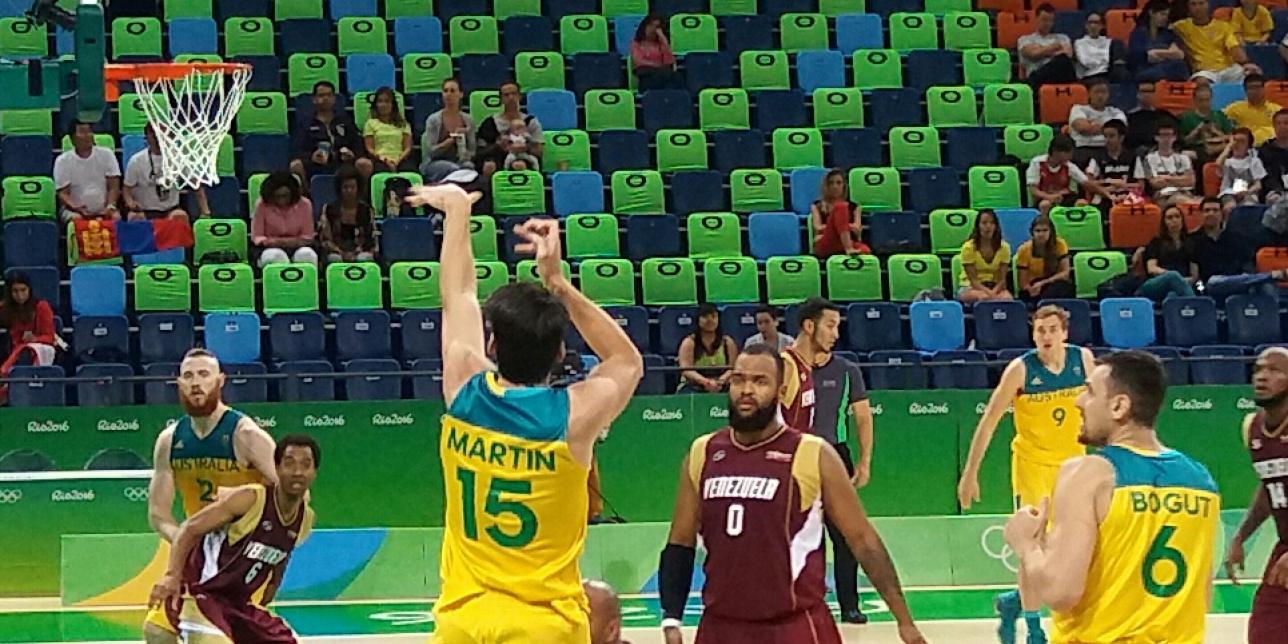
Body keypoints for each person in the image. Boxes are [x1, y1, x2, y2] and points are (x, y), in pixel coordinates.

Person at [404, 183, 642, 643]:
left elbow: (459, 295)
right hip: (544, 626)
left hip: (462, 622)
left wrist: (456, 211)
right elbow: (627, 362)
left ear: (492, 345)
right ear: (559, 353)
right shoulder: (572, 418)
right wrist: (558, 283)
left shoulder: (464, 390)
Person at [657, 346, 927, 644]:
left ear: (781, 391)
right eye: (738, 380)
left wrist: (904, 621)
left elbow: (863, 541)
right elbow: (680, 543)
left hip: (794, 626)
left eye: (760, 381)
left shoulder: (812, 453)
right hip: (720, 626)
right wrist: (671, 619)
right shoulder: (703, 452)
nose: (747, 390)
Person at [1003, 351, 1220, 644]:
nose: (1078, 401)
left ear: (1119, 406)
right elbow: (1201, 596)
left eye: (1090, 392)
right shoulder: (1201, 480)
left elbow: (1060, 591)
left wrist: (1027, 545)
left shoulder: (1088, 473)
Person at [958, 305, 1096, 644]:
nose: (1046, 336)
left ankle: (1013, 603)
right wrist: (969, 473)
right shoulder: (1020, 371)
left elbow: (1100, 411)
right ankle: (1034, 628)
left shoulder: (1085, 362)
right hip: (1032, 466)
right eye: (1040, 330)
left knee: (1069, 554)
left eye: (1052, 329)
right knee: (1032, 545)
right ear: (1033, 334)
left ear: (1065, 333)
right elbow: (989, 422)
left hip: (1073, 467)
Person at [142, 349, 277, 644]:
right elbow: (158, 513)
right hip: (197, 555)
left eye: (204, 375)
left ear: (220, 380)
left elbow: (289, 499)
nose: (196, 383)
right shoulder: (169, 440)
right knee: (157, 632)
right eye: (188, 376)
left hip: (239, 558)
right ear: (178, 383)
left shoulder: (247, 436)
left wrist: (246, 500)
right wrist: (185, 540)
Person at [147, 434, 318, 644]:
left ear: (314, 472)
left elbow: (282, 552)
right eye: (289, 463)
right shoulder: (250, 499)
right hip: (200, 593)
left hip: (236, 604)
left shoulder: (305, 518)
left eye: (306, 465)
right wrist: (172, 576)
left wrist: (271, 587)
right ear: (277, 468)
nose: (297, 472)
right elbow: (189, 529)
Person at [1225, 347, 1288, 644]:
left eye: (1275, 371)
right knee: (1265, 632)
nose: (1262, 377)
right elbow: (1269, 484)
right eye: (1258, 370)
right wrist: (1241, 536)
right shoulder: (1252, 426)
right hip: (1284, 552)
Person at [809, 341, 875, 624]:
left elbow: (862, 416)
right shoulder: (792, 370)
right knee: (802, 535)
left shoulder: (847, 370)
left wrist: (864, 461)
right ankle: (805, 602)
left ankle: (850, 604)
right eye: (828, 326)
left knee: (844, 534)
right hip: (799, 453)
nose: (834, 334)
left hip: (836, 454)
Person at [1189, 195, 1288, 299]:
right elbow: (1196, 278)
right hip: (1210, 286)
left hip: (1239, 283)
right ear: (1201, 214)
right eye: (1207, 210)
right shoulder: (1193, 240)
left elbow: (1247, 266)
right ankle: (1273, 276)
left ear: (1222, 214)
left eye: (1215, 210)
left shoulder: (1236, 238)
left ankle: (1272, 313)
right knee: (1214, 281)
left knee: (1266, 287)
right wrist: (1201, 290)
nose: (1211, 214)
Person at [289, 80, 369, 187]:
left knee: (364, 164)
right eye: (321, 95)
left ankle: (360, 199)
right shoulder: (305, 123)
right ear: (314, 99)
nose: (325, 98)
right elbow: (297, 149)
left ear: (334, 98)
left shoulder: (345, 120)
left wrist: (352, 154)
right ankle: (306, 198)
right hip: (315, 164)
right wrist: (311, 157)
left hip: (343, 163)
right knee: (295, 165)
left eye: (329, 95)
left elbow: (357, 144)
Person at [123, 123, 209, 222]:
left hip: (171, 210)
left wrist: (205, 211)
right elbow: (127, 189)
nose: (158, 140)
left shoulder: (178, 158)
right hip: (144, 210)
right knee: (135, 218)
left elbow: (196, 185)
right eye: (154, 135)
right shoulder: (136, 161)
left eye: (162, 135)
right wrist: (131, 203)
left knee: (180, 216)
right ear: (147, 137)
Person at [780, 297, 842, 433]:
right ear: (809, 326)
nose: (836, 335)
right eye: (830, 326)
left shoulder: (806, 365)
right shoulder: (787, 365)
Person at [1172, 0, 1260, 84]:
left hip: (1228, 69)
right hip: (1205, 72)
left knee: (1252, 76)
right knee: (1202, 82)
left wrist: (1247, 63)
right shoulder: (1180, 27)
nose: (1198, 7)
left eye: (1201, 3)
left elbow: (1235, 48)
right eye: (1193, 4)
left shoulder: (1223, 26)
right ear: (1188, 7)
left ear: (1208, 5)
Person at [0, 273, 56, 403]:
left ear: (29, 290)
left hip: (36, 350)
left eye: (23, 290)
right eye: (15, 291)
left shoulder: (41, 307)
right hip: (14, 350)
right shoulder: (6, 308)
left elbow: (50, 337)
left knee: (25, 352)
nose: (19, 295)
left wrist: (35, 339)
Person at [54, 119, 121, 222]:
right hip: (74, 210)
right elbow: (63, 194)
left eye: (89, 131)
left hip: (105, 208)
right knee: (77, 219)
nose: (87, 135)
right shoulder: (62, 161)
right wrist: (77, 208)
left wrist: (110, 206)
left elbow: (113, 186)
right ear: (73, 139)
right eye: (82, 132)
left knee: (116, 218)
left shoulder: (107, 154)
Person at [475, 81, 545, 176]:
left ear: (519, 96)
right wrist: (498, 145)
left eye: (513, 94)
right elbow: (480, 152)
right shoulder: (490, 123)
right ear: (501, 99)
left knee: (519, 165)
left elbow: (539, 150)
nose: (510, 98)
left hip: (524, 158)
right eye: (506, 95)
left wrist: (525, 147)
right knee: (488, 166)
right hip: (497, 159)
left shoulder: (531, 122)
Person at [251, 172, 316, 267]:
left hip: (299, 247)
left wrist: (281, 242)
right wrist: (273, 243)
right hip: (269, 248)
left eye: (285, 196)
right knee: (276, 256)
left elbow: (307, 237)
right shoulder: (261, 205)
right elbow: (258, 237)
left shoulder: (305, 204)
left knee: (307, 255)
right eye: (278, 196)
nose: (282, 200)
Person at [1026, 135, 1110, 209]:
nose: (1071, 156)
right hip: (1044, 197)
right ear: (1056, 152)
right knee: (1045, 205)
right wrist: (1049, 197)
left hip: (1064, 197)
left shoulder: (1069, 166)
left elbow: (1087, 183)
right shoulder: (1037, 163)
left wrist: (1107, 194)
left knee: (1082, 203)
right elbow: (1033, 190)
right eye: (1068, 153)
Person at [419, 77, 477, 184]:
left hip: (460, 161)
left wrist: (464, 152)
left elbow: (472, 150)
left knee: (469, 167)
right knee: (453, 169)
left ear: (460, 94)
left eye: (452, 91)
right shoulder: (433, 120)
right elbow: (430, 152)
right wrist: (450, 141)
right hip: (434, 162)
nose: (448, 94)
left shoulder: (468, 120)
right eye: (445, 91)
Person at [1136, 204, 1199, 300]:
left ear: (1182, 220)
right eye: (1170, 218)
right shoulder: (1156, 242)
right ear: (1164, 222)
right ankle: (1197, 307)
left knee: (1173, 296)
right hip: (1156, 282)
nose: (1174, 220)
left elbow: (1194, 276)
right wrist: (1173, 276)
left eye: (1177, 216)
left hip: (1182, 283)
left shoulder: (1191, 243)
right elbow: (1152, 269)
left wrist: (1180, 281)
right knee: (1173, 277)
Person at [318, 165, 376, 264]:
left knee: (364, 258)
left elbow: (370, 239)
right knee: (334, 259)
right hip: (336, 252)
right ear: (339, 189)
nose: (349, 191)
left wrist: (356, 252)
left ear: (358, 188)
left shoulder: (366, 210)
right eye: (345, 187)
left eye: (352, 187)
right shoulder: (329, 209)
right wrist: (340, 252)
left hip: (360, 252)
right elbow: (325, 239)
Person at [677, 303, 739, 394]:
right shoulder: (689, 342)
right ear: (698, 320)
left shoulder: (727, 342)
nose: (710, 320)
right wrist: (705, 382)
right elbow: (686, 370)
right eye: (705, 317)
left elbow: (733, 368)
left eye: (713, 317)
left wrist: (721, 381)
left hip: (722, 384)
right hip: (694, 385)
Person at [958, 209, 1015, 303]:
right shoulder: (968, 248)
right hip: (970, 287)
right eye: (984, 223)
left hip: (995, 286)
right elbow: (973, 281)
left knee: (1007, 299)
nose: (988, 226)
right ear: (978, 226)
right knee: (983, 298)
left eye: (992, 223)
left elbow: (1002, 280)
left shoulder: (1004, 247)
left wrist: (993, 292)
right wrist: (989, 294)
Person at [1014, 215, 1076, 301]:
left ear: (1051, 232)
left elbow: (1065, 273)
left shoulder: (1060, 244)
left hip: (1054, 281)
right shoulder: (1024, 249)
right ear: (1032, 232)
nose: (1041, 234)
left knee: (1064, 286)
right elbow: (1023, 283)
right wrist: (1031, 289)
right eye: (1037, 231)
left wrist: (1043, 283)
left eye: (1045, 230)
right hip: (1034, 285)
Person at [1136, 119, 1198, 205]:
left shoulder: (1184, 158)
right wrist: (1180, 179)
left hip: (1186, 194)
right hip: (1162, 196)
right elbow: (1155, 183)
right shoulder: (1149, 159)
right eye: (1163, 135)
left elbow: (1191, 181)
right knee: (1182, 200)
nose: (1166, 139)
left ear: (1174, 137)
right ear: (1156, 137)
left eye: (1169, 135)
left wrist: (1167, 178)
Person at [810, 168, 869, 257]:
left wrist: (840, 226)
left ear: (844, 186)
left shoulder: (855, 207)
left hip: (846, 241)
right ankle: (848, 248)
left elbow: (857, 228)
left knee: (866, 250)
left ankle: (848, 246)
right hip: (827, 242)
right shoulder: (817, 206)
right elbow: (818, 228)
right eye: (831, 183)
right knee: (841, 207)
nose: (835, 186)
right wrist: (846, 226)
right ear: (826, 186)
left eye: (838, 183)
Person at [1127, 0, 1189, 82]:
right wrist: (1167, 54)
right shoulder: (1138, 33)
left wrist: (1156, 52)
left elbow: (1179, 55)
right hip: (1143, 70)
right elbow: (1142, 57)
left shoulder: (1169, 34)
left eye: (1167, 15)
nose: (1165, 18)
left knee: (1180, 65)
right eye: (1162, 14)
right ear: (1151, 13)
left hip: (1166, 68)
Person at [1068, 81, 1128, 165]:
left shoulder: (1116, 112)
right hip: (1084, 149)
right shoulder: (1078, 109)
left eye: (1103, 92)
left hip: (1108, 149)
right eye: (1096, 92)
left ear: (1108, 94)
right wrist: (1108, 126)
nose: (1100, 95)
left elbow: (1119, 128)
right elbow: (1084, 128)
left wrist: (1092, 125)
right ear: (1089, 94)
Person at [1086, 120, 1144, 206]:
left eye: (1111, 136)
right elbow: (1089, 183)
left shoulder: (1133, 157)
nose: (1107, 140)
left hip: (1128, 197)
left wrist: (1124, 186)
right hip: (1104, 196)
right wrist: (1108, 183)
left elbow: (1141, 186)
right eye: (1105, 136)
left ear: (1121, 138)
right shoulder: (1097, 157)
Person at [1019, 4, 1076, 87]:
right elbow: (1033, 54)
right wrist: (1054, 47)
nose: (1047, 23)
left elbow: (1067, 55)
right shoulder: (1024, 39)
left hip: (1060, 77)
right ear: (1036, 19)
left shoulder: (1063, 37)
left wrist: (1041, 50)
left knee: (1063, 61)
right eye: (1044, 20)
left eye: (1050, 20)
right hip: (1037, 78)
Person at [363, 86, 414, 173]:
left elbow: (407, 148)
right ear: (376, 104)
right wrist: (385, 160)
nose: (383, 105)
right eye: (380, 101)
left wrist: (397, 160)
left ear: (392, 105)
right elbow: (370, 148)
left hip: (400, 160)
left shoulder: (403, 124)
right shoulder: (370, 123)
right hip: (379, 160)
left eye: (387, 101)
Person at [1179, 83, 1234, 161]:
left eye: (1207, 100)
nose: (1205, 104)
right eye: (1201, 100)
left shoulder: (1219, 115)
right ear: (1194, 100)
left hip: (1219, 148)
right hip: (1197, 149)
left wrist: (1216, 131)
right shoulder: (1186, 117)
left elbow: (1230, 137)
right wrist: (1197, 130)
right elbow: (1184, 142)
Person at [1218, 127, 1267, 211]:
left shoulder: (1254, 161)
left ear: (1248, 145)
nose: (1237, 144)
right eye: (1235, 141)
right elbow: (1217, 166)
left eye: (1242, 142)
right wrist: (1228, 147)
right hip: (1228, 193)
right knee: (1230, 207)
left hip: (1248, 193)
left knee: (1248, 207)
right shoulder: (1226, 161)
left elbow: (1258, 185)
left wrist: (1247, 192)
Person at [1225, 74, 1282, 145]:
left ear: (1264, 89)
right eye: (1251, 88)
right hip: (1246, 146)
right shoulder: (1233, 109)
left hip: (1271, 147)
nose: (1255, 91)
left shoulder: (1277, 110)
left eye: (1258, 87)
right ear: (1245, 90)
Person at [630, 14, 682, 91]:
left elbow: (669, 62)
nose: (652, 29)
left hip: (662, 74)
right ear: (644, 27)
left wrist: (664, 41)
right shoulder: (636, 44)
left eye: (657, 27)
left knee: (675, 76)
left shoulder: (660, 45)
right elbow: (639, 61)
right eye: (650, 25)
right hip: (646, 75)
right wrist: (657, 65)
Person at [1074, 12, 1128, 82]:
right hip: (1090, 75)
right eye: (1090, 23)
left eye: (1096, 23)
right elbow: (1087, 62)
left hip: (1108, 74)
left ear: (1102, 26)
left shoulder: (1109, 42)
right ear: (1086, 26)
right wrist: (1103, 60)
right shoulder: (1079, 43)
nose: (1093, 26)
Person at [1126, 80, 1166, 153]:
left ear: (1155, 94)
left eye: (1150, 91)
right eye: (1143, 91)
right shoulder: (1129, 117)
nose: (1147, 94)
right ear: (1137, 94)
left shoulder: (1163, 116)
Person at [1259, 109, 1288, 202]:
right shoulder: (1265, 150)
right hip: (1274, 191)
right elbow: (1265, 176)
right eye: (1278, 123)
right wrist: (1277, 190)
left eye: (1286, 123)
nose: (1282, 127)